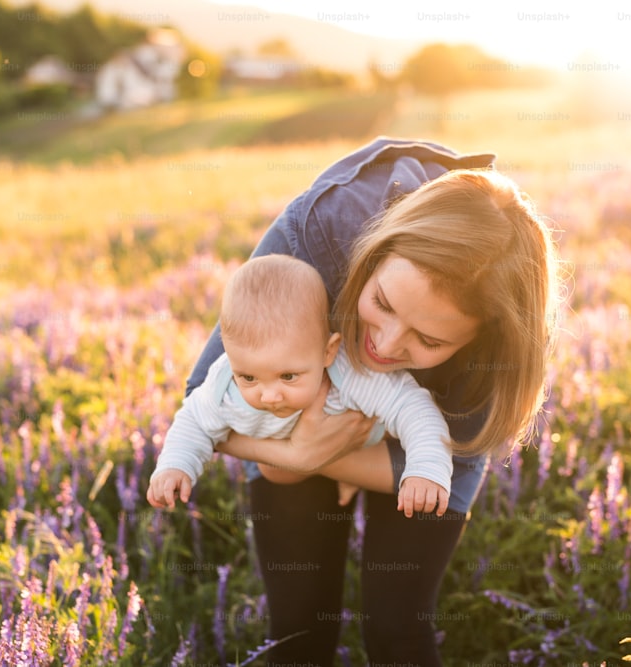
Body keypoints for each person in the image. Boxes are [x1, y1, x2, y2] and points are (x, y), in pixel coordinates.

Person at [175, 137, 560, 665]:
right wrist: (297, 456)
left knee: (399, 628)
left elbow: (461, 453)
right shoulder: (322, 230)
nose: (386, 344)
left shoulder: (503, 338)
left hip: (425, 447)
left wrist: (328, 454)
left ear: (479, 340)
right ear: (375, 252)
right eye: (381, 302)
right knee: (298, 632)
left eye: (430, 341)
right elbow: (203, 398)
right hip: (295, 409)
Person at [147, 253, 455, 517]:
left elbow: (413, 408)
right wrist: (175, 467)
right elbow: (193, 421)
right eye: (249, 377)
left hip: (367, 447)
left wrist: (425, 469)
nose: (269, 395)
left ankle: (352, 478)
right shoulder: (224, 385)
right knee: (277, 475)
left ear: (328, 352)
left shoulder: (350, 372)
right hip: (287, 467)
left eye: (288, 376)